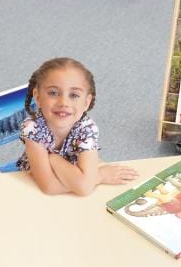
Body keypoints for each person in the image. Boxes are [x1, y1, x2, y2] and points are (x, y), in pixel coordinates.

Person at [16, 57, 139, 195]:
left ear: (86, 102)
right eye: (53, 93)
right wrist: (100, 176)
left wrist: (53, 159)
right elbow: (49, 187)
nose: (63, 102)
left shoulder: (87, 128)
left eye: (74, 95)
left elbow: (84, 186)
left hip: (74, 171)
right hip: (34, 183)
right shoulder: (33, 128)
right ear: (38, 97)